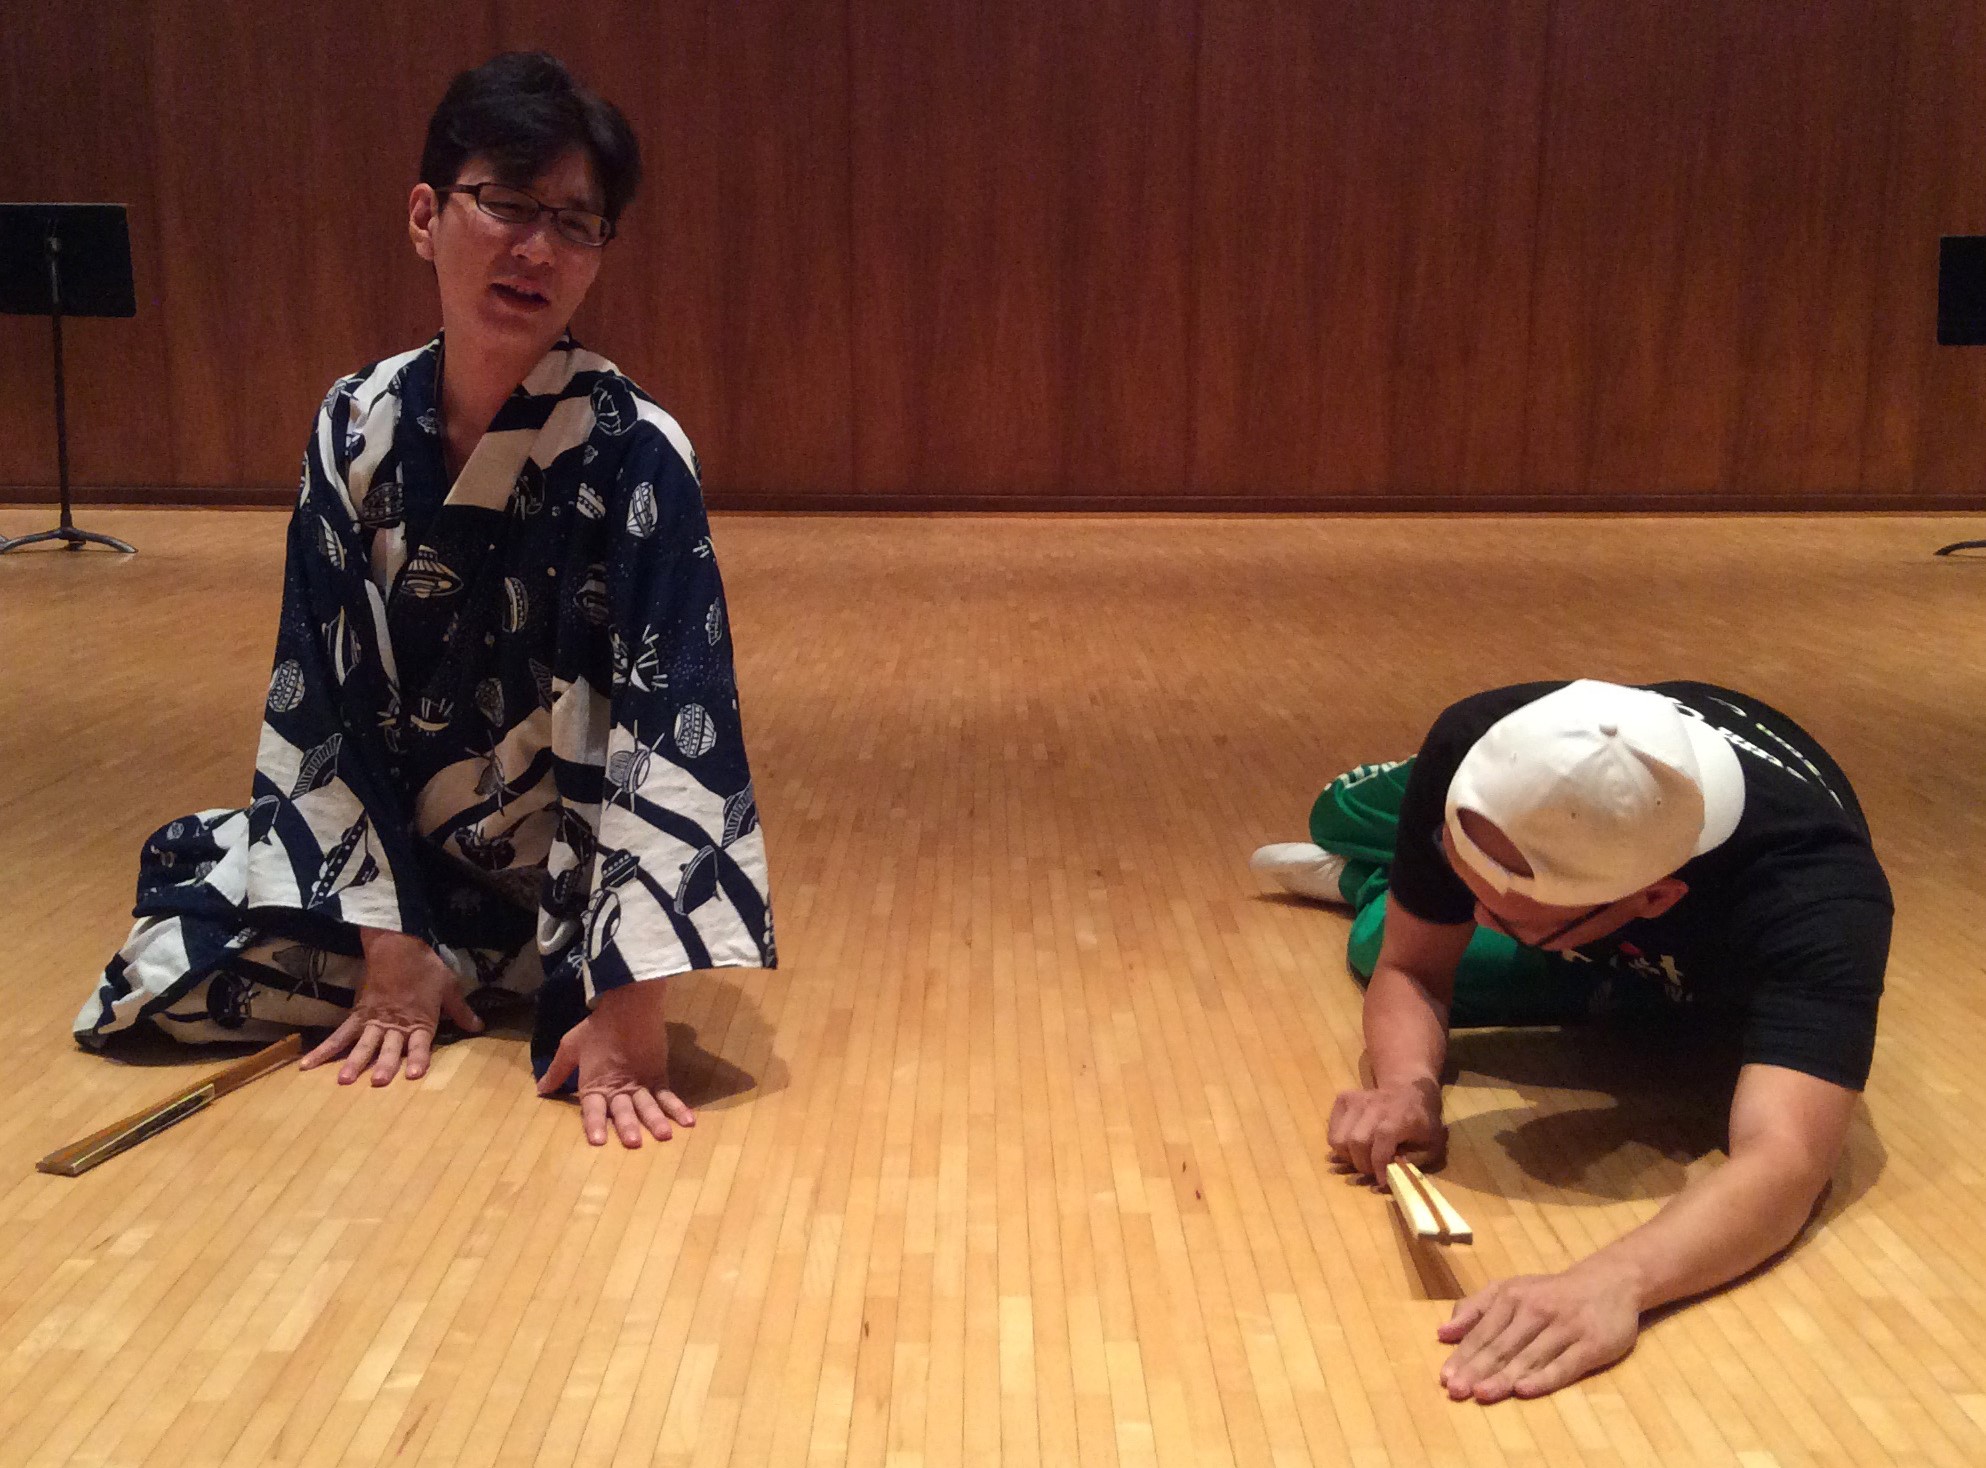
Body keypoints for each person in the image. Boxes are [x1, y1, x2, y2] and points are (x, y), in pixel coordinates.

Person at [75, 53, 775, 1150]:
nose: (535, 248)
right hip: (405, 875)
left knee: (578, 1007)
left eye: (576, 223)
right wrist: (387, 948)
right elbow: (324, 688)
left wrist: (632, 1010)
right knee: (158, 975)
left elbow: (674, 726)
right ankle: (425, 957)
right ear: (424, 215)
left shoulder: (639, 454)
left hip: (573, 888)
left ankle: (539, 970)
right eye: (503, 203)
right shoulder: (354, 427)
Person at [1254, 680, 1890, 1402]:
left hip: (1676, 977)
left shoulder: (1820, 903)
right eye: (1458, 870)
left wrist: (1615, 1282)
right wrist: (1407, 1086)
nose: (1474, 915)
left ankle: (1370, 879)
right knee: (1339, 817)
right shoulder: (1475, 735)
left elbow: (1786, 1161)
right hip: (1571, 892)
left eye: (1507, 913)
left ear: (1652, 902)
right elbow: (1417, 966)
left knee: (1374, 938)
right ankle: (1385, 859)